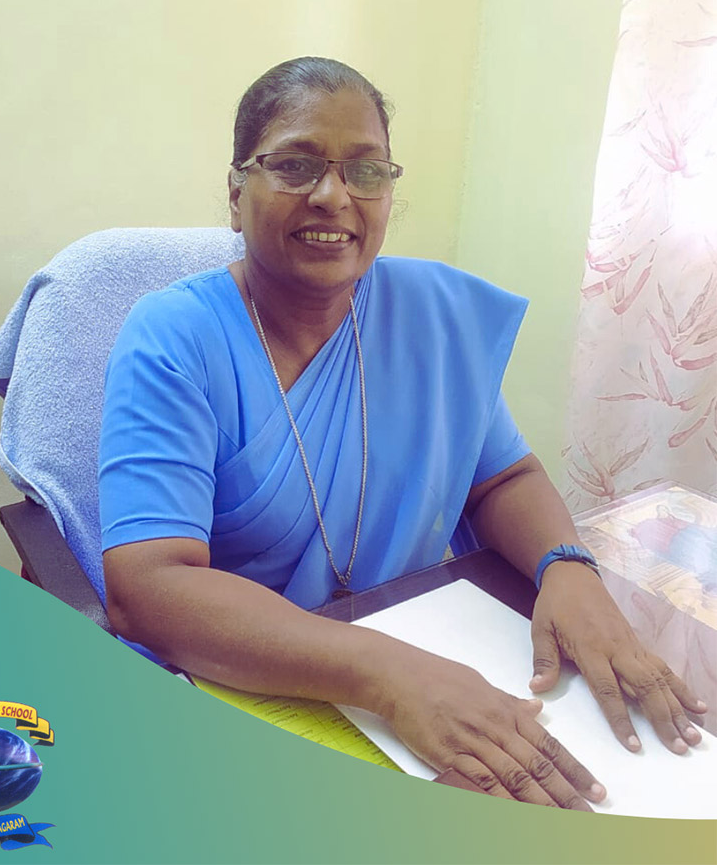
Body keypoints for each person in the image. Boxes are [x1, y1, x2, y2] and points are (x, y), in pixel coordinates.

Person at [99, 57, 706, 810]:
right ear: (235, 193)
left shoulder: (428, 319)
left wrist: (567, 567)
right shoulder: (173, 338)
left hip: (425, 638)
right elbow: (149, 587)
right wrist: (389, 676)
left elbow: (503, 478)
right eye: (294, 165)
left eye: (366, 171)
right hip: (245, 682)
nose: (333, 196)